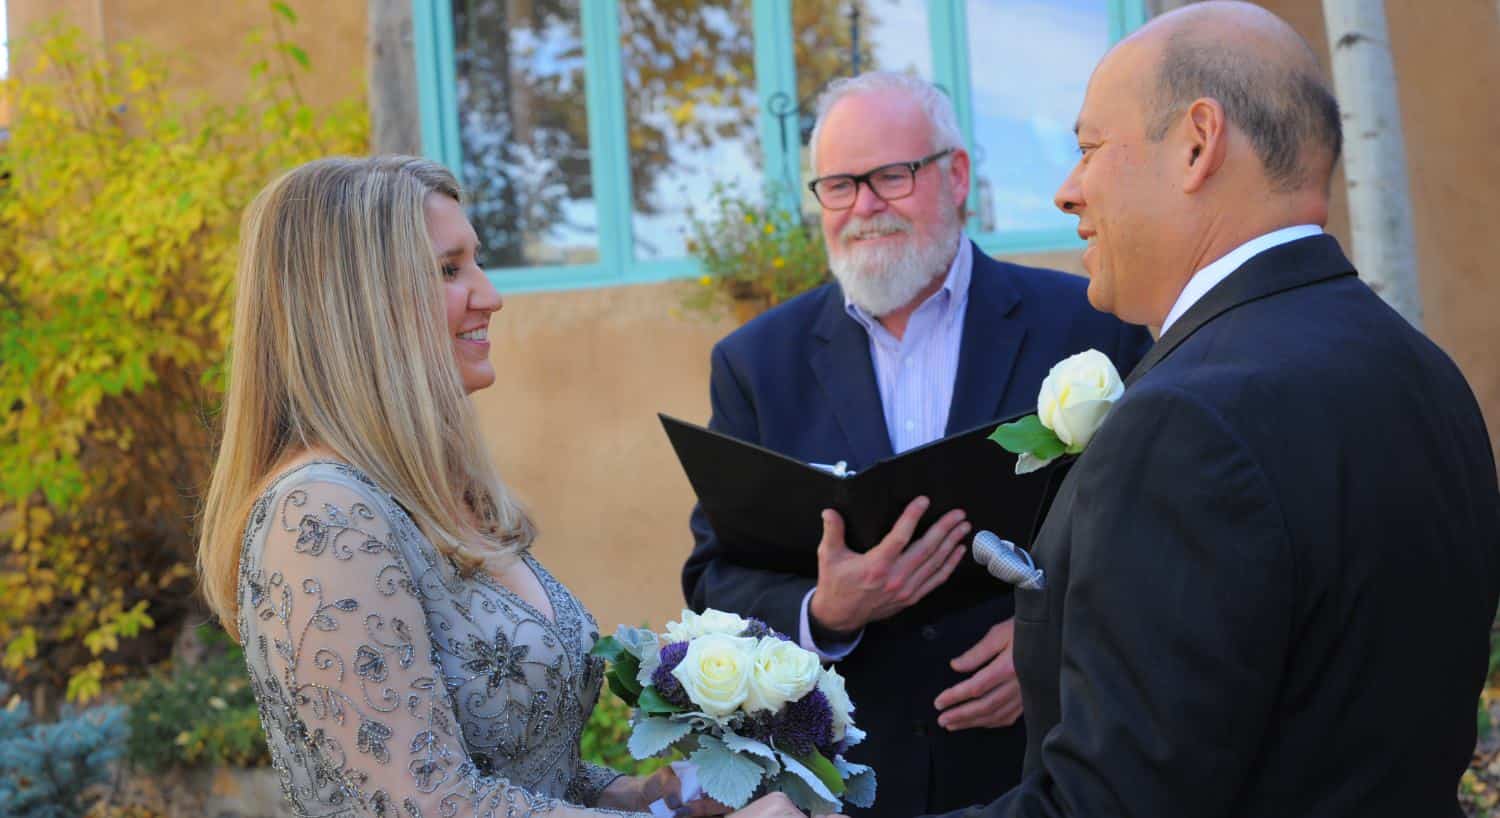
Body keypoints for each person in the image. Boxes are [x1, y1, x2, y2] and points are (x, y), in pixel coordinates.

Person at [939, 3, 1500, 817]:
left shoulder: (1188, 421)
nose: (1067, 191)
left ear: (1198, 142)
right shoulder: (1427, 373)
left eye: (1088, 148)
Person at [196, 156, 804, 818]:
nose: (490, 295)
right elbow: (426, 804)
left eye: (475, 264)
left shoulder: (436, 495)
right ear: (358, 304)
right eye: (449, 270)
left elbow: (535, 773)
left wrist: (654, 796)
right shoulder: (320, 516)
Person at [680, 72, 1151, 818]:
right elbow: (715, 580)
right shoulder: (756, 364)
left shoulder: (1091, 331)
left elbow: (1152, 533)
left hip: (1047, 776)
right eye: (838, 185)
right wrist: (824, 610)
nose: (864, 207)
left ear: (956, 175)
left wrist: (1052, 638)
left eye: (891, 177)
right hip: (850, 788)